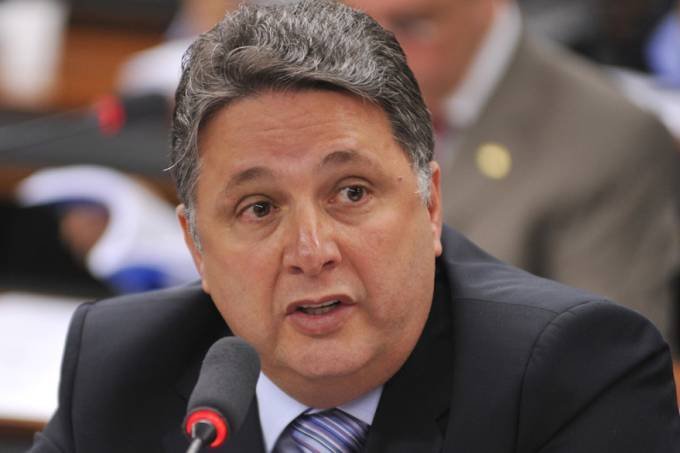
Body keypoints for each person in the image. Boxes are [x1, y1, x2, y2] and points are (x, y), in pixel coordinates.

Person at [29, 1, 679, 452]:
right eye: (259, 208)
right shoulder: (119, 365)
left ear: (430, 207)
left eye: (351, 192)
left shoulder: (576, 372)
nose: (311, 251)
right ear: (196, 248)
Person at [346, 0, 680, 347]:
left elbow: (607, 352)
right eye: (354, 24)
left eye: (412, 26)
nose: (369, 52)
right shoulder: (335, 103)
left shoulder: (606, 139)